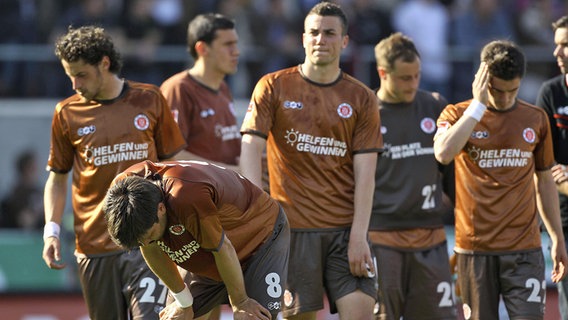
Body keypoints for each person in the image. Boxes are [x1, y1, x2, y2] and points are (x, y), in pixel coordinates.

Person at [239, 2, 382, 319]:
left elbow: (366, 174)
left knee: (362, 313)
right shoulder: (273, 86)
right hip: (292, 232)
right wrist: (256, 210)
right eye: (314, 33)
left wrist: (359, 236)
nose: (321, 39)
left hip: (344, 232)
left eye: (330, 33)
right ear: (303, 38)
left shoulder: (362, 98)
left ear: (345, 41)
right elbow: (250, 146)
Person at [41, 25, 186, 320]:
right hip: (94, 246)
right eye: (70, 75)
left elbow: (174, 167)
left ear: (104, 64)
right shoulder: (66, 113)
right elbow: (57, 178)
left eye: (80, 74)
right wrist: (52, 231)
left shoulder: (150, 99)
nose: (74, 84)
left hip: (149, 240)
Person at [433, 39, 568, 319]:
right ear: (482, 80)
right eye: (497, 90)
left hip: (524, 250)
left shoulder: (535, 118)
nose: (505, 98)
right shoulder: (458, 114)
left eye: (513, 90)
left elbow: (545, 182)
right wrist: (478, 107)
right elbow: (444, 153)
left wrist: (556, 237)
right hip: (474, 249)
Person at [103, 160, 290, 319]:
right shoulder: (123, 193)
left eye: (150, 236)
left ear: (161, 209)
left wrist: (240, 302)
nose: (146, 244)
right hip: (208, 245)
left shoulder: (187, 196)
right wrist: (184, 302)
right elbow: (150, 246)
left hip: (260, 239)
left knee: (253, 317)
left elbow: (223, 248)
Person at [370, 32, 457, 320]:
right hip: (381, 240)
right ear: (383, 73)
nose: (413, 84)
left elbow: (453, 177)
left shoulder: (434, 105)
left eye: (417, 75)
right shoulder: (366, 112)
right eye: (405, 78)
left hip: (431, 238)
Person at [161, 13, 241, 171]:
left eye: (235, 44)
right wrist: (231, 172)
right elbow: (170, 155)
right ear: (202, 48)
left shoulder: (223, 87)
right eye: (227, 45)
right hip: (198, 192)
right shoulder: (178, 89)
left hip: (228, 191)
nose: (236, 52)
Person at [535, 15, 568, 320]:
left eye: (566, 45)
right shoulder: (551, 92)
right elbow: (546, 168)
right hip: (564, 220)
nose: (557, 53)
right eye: (556, 45)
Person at [0, 149, 44, 230]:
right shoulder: (16, 195)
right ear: (26, 169)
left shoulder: (38, 192)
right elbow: (25, 221)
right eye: (33, 167)